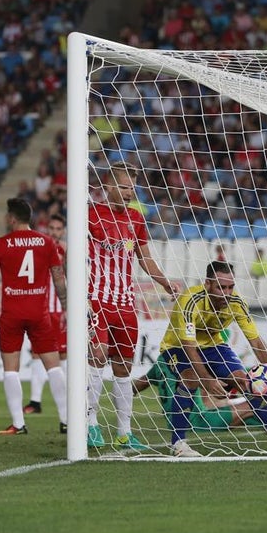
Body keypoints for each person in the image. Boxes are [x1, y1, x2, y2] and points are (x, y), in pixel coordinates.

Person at [156, 260, 267, 457]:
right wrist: (207, 379)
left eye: (230, 287)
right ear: (208, 284)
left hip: (213, 346)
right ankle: (178, 444)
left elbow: (256, 342)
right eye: (221, 287)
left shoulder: (236, 303)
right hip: (177, 346)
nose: (226, 293)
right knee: (191, 377)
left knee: (247, 382)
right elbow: (189, 347)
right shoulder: (190, 300)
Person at [87, 166, 179, 449]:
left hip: (126, 304)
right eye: (125, 187)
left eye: (132, 188)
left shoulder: (136, 219)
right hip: (97, 300)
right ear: (109, 186)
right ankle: (90, 425)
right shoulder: (89, 214)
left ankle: (125, 431)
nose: (130, 193)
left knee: (124, 367)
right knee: (97, 357)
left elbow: (145, 257)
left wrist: (165, 282)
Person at [0, 198, 68, 435]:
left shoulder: (1, 244)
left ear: (12, 218)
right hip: (39, 314)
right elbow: (59, 278)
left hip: (11, 314)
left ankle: (19, 424)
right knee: (53, 366)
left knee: (11, 369)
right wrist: (65, 307)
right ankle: (65, 420)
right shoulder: (46, 243)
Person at [133, 357, 267, 457]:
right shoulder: (193, 365)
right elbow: (210, 400)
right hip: (198, 420)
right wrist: (226, 399)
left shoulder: (160, 363)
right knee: (254, 404)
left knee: (251, 414)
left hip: (175, 420)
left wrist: (121, 394)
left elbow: (139, 385)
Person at [24, 214, 66, 416]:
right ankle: (35, 401)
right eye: (52, 228)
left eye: (58, 229)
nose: (55, 232)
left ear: (63, 231)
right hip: (42, 310)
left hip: (61, 311)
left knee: (64, 355)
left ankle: (70, 400)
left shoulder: (68, 250)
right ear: (47, 228)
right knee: (36, 354)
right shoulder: (39, 249)